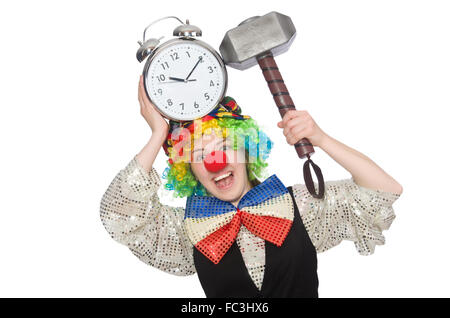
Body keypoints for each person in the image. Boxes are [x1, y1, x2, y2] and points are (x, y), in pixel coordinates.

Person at [99, 76, 403, 297]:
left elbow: (383, 190)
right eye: (199, 155)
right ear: (188, 170)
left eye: (224, 145)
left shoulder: (299, 205)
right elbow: (118, 214)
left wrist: (320, 138)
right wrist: (157, 135)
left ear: (246, 149)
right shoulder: (188, 229)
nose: (214, 161)